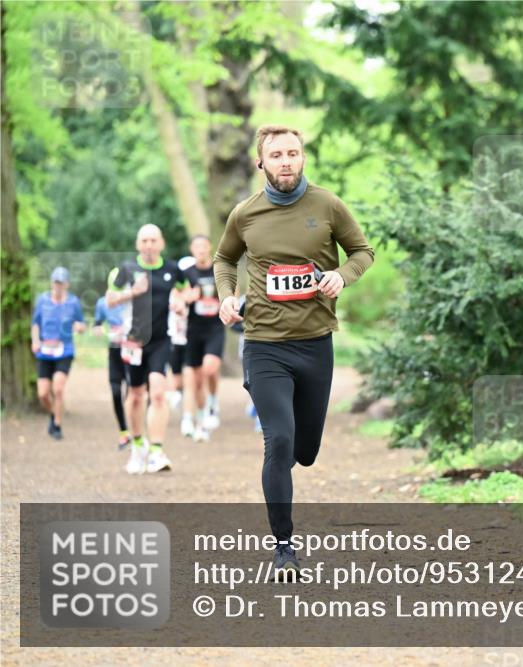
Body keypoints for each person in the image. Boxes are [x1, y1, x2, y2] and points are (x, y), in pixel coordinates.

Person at [215, 124, 374, 573]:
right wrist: (227, 293)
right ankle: (284, 545)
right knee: (279, 441)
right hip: (264, 344)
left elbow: (362, 251)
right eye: (277, 154)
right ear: (260, 162)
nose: (286, 161)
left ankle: (297, 460)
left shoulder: (327, 205)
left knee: (305, 450)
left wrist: (343, 276)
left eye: (293, 153)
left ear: (302, 158)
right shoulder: (245, 214)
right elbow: (225, 259)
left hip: (315, 344)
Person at [106, 224, 187, 474]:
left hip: (162, 340)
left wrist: (181, 304)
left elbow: (187, 291)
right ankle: (138, 444)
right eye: (145, 240)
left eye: (153, 240)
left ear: (161, 243)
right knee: (136, 394)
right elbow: (109, 300)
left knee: (159, 393)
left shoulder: (173, 269)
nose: (149, 245)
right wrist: (132, 292)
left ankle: (156, 450)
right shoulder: (125, 269)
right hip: (134, 341)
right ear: (138, 244)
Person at [31, 266, 86, 440]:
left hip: (64, 350)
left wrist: (79, 327)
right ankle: (53, 414)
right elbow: (35, 323)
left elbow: (81, 324)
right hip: (45, 352)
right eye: (56, 282)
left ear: (67, 285)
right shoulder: (42, 300)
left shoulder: (73, 302)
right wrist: (35, 340)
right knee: (43, 394)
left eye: (61, 283)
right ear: (51, 283)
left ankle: (57, 425)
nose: (58, 286)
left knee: (58, 388)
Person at [180, 236, 225, 440]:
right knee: (197, 380)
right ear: (192, 250)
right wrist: (186, 298)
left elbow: (233, 291)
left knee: (210, 368)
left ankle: (214, 402)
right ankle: (202, 416)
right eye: (196, 247)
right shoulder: (187, 273)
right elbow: (180, 297)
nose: (200, 250)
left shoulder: (219, 270)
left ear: (210, 248)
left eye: (203, 246)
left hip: (215, 328)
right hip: (194, 330)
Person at [93, 274, 130, 449]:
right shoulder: (102, 303)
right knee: (116, 392)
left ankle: (137, 432)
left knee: (132, 394)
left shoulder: (134, 301)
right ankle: (123, 432)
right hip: (114, 351)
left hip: (132, 351)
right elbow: (97, 322)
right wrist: (98, 328)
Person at [167, 255, 195, 413]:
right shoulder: (172, 291)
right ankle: (179, 393)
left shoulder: (197, 293)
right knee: (176, 372)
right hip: (175, 337)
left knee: (191, 372)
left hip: (192, 337)